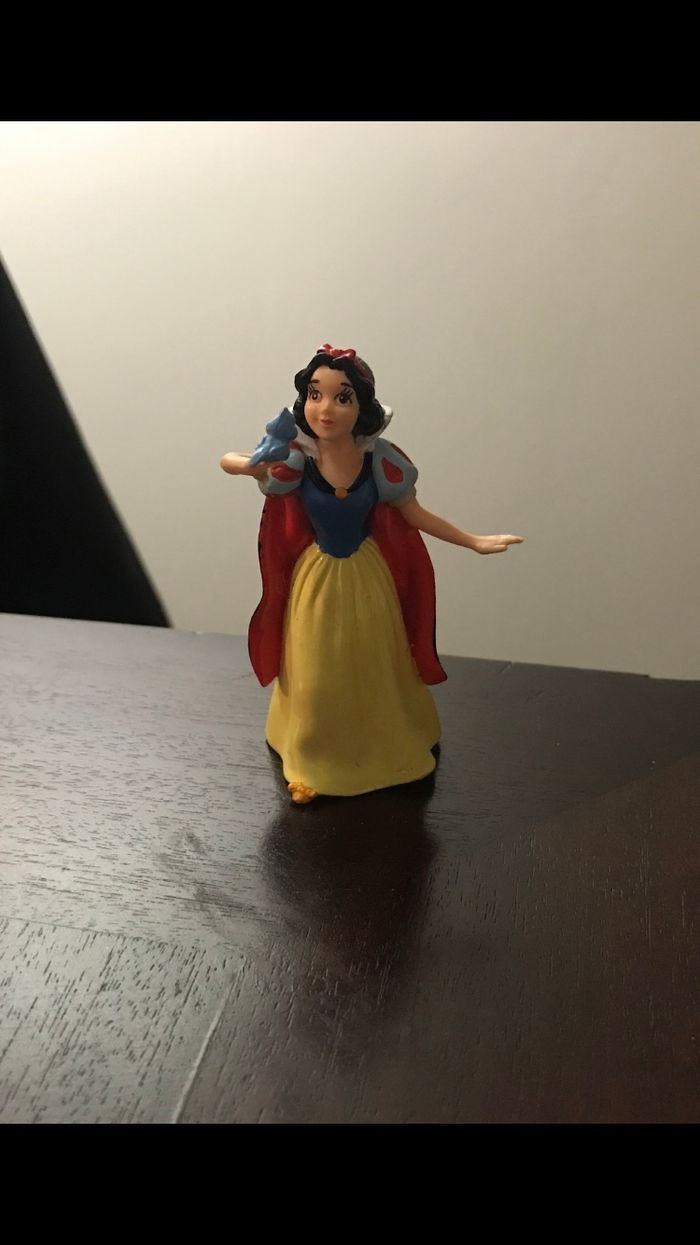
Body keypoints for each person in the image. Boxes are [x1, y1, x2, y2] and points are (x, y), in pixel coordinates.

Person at [221, 344, 523, 803]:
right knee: (316, 672)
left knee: (374, 665)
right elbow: (229, 461)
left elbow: (415, 515)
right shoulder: (298, 458)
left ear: (361, 407)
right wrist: (254, 463)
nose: (326, 409)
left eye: (342, 397)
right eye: (315, 395)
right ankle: (313, 755)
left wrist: (473, 540)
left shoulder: (379, 460)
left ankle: (386, 744)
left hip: (367, 579)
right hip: (317, 582)